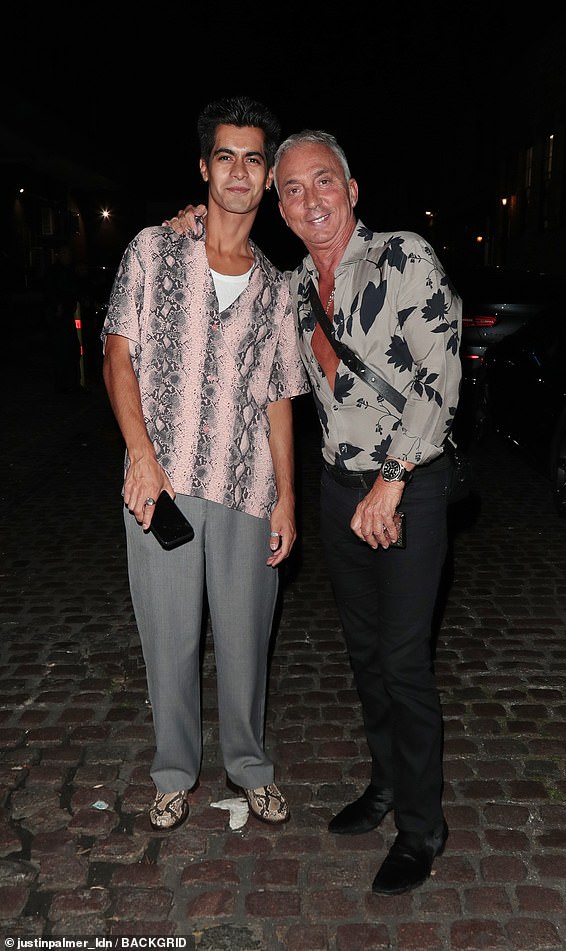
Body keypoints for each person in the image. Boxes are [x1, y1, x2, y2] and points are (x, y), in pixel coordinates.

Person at [166, 128, 462, 894]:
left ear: (352, 190)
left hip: (409, 484)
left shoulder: (405, 256)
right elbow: (248, 351)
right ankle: (388, 781)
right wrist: (189, 223)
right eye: (291, 188)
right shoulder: (293, 286)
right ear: (280, 206)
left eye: (322, 181)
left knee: (402, 658)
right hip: (339, 488)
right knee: (365, 655)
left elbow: (439, 376)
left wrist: (392, 481)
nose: (309, 199)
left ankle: (423, 826)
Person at [101, 96, 309, 834]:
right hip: (163, 486)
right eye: (226, 156)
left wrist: (287, 499)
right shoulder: (155, 251)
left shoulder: (278, 289)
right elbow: (117, 353)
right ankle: (172, 772)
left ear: (266, 176)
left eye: (254, 159)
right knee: (170, 636)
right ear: (204, 168)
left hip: (247, 488)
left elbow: (282, 396)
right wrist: (142, 456)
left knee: (249, 638)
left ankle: (250, 767)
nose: (239, 171)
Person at [43, 243, 83, 394]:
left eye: (69, 253)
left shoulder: (70, 271)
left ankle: (74, 383)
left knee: (73, 350)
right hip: (58, 319)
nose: (69, 256)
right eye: (65, 253)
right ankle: (62, 385)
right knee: (62, 351)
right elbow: (50, 291)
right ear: (60, 254)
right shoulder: (54, 272)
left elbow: (75, 290)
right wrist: (57, 306)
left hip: (67, 316)